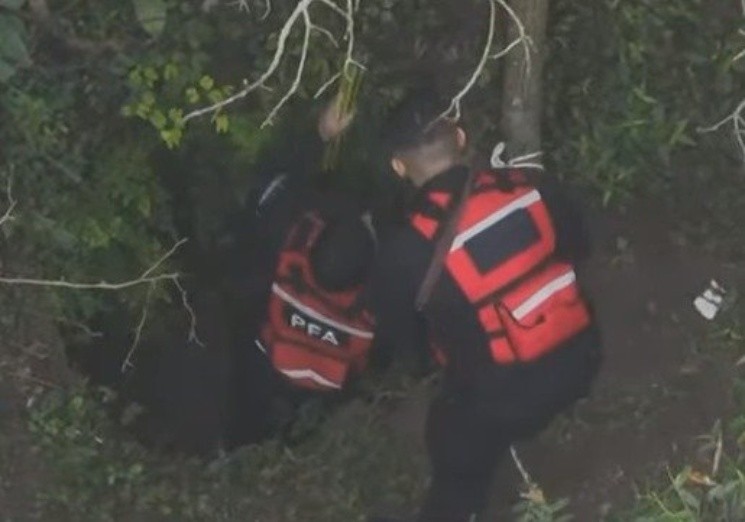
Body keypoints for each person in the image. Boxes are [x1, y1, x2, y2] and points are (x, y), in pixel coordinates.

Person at [367, 90, 602, 522]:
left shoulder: (406, 251)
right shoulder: (530, 185)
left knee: (450, 441)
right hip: (581, 358)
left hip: (505, 402)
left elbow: (402, 343)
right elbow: (578, 248)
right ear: (459, 136)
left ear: (398, 167)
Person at [220, 97, 379, 448]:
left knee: (246, 422)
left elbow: (269, 188)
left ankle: (235, 459)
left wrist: (319, 134)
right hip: (328, 385)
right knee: (306, 437)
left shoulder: (288, 222)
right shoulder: (383, 270)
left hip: (266, 358)